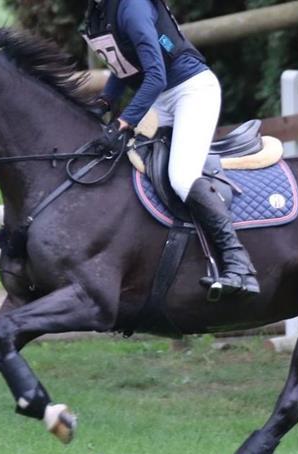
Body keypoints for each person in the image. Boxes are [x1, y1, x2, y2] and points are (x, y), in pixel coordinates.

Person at [83, 0, 260, 296]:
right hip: (160, 96)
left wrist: (124, 122)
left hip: (191, 91)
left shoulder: (131, 7)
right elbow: (124, 66)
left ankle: (239, 264)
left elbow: (155, 76)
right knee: (121, 164)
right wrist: (104, 103)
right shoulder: (98, 13)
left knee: (181, 176)